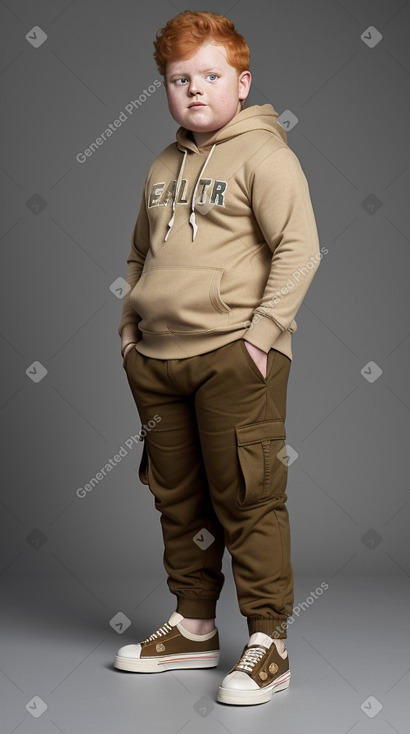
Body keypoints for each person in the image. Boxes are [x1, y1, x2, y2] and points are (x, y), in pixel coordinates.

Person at [114, 10, 321, 706]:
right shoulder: (161, 165)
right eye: (179, 79)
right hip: (158, 360)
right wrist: (128, 333)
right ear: (166, 88)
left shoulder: (266, 156)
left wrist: (260, 337)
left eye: (210, 76)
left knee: (248, 497)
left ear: (242, 81)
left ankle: (269, 643)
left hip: (234, 354)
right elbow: (140, 254)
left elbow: (299, 250)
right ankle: (194, 627)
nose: (194, 90)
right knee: (178, 498)